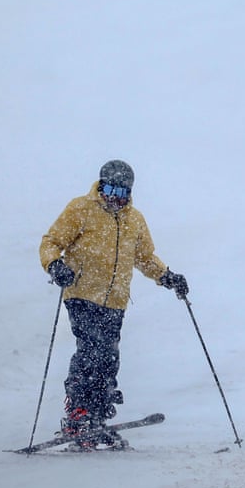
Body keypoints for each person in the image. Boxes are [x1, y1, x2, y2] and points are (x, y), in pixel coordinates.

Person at [39, 160, 189, 450]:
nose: (114, 197)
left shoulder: (135, 219)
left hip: (116, 301)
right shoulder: (81, 209)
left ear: (130, 192)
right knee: (91, 350)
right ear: (100, 186)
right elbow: (51, 241)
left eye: (121, 192)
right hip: (81, 293)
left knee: (108, 357)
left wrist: (167, 277)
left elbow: (145, 257)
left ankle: (96, 417)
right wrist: (54, 265)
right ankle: (77, 413)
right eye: (108, 189)